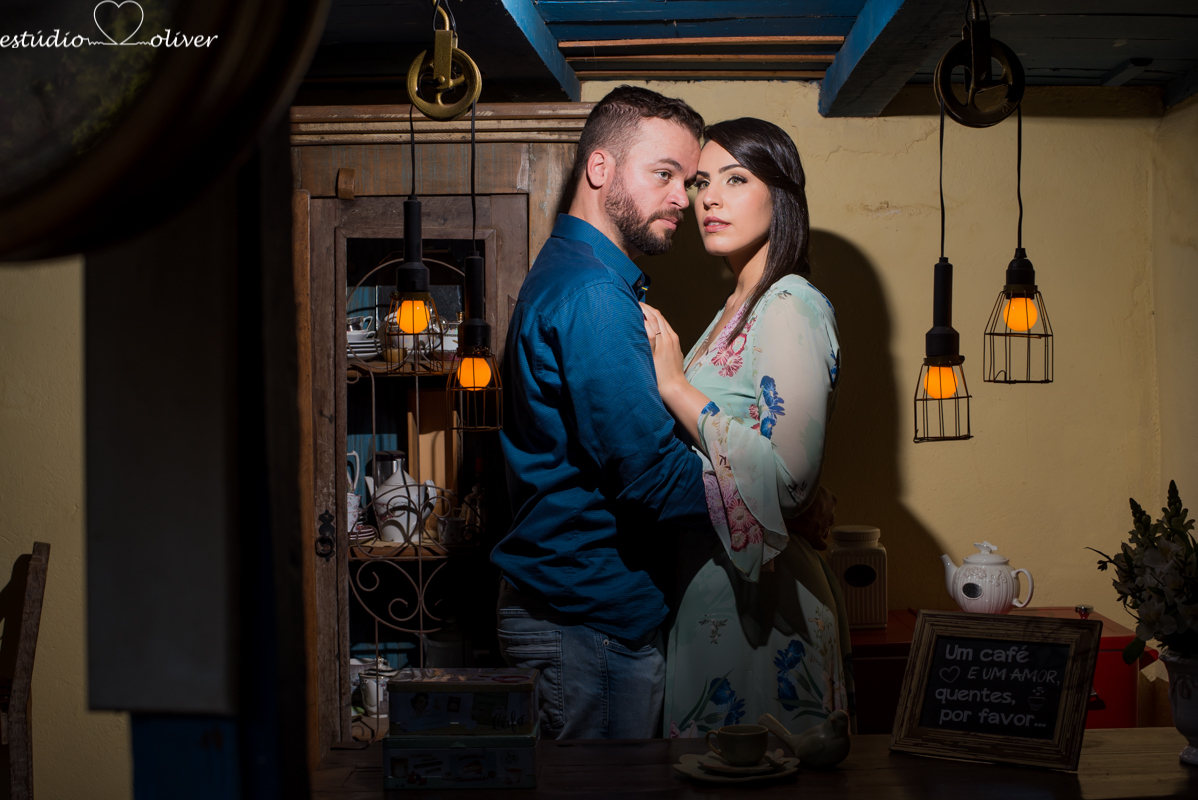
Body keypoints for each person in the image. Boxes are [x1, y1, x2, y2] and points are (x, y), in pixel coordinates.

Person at [491, 86, 711, 739]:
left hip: (576, 617)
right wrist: (770, 498)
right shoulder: (592, 293)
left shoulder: (576, 272)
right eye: (664, 174)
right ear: (599, 168)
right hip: (587, 625)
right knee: (611, 787)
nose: (683, 198)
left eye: (688, 181)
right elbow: (651, 477)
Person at [639, 118, 853, 738]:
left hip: (765, 605)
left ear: (780, 196)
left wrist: (676, 387)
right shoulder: (737, 307)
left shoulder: (789, 302)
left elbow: (787, 482)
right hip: (715, 592)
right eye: (702, 182)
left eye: (735, 180)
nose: (708, 198)